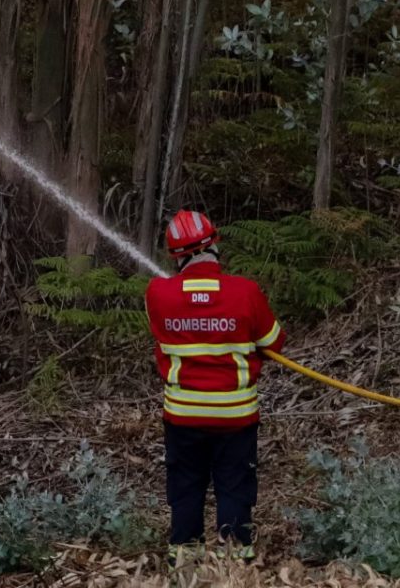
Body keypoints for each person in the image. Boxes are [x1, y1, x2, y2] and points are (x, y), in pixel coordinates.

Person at [143, 210, 283, 566]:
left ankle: (186, 566)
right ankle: (234, 565)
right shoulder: (245, 292)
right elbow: (274, 342)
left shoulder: (158, 293)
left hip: (183, 417)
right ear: (214, 246)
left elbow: (165, 332)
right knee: (235, 487)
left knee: (186, 486)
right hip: (235, 417)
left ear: (177, 256)